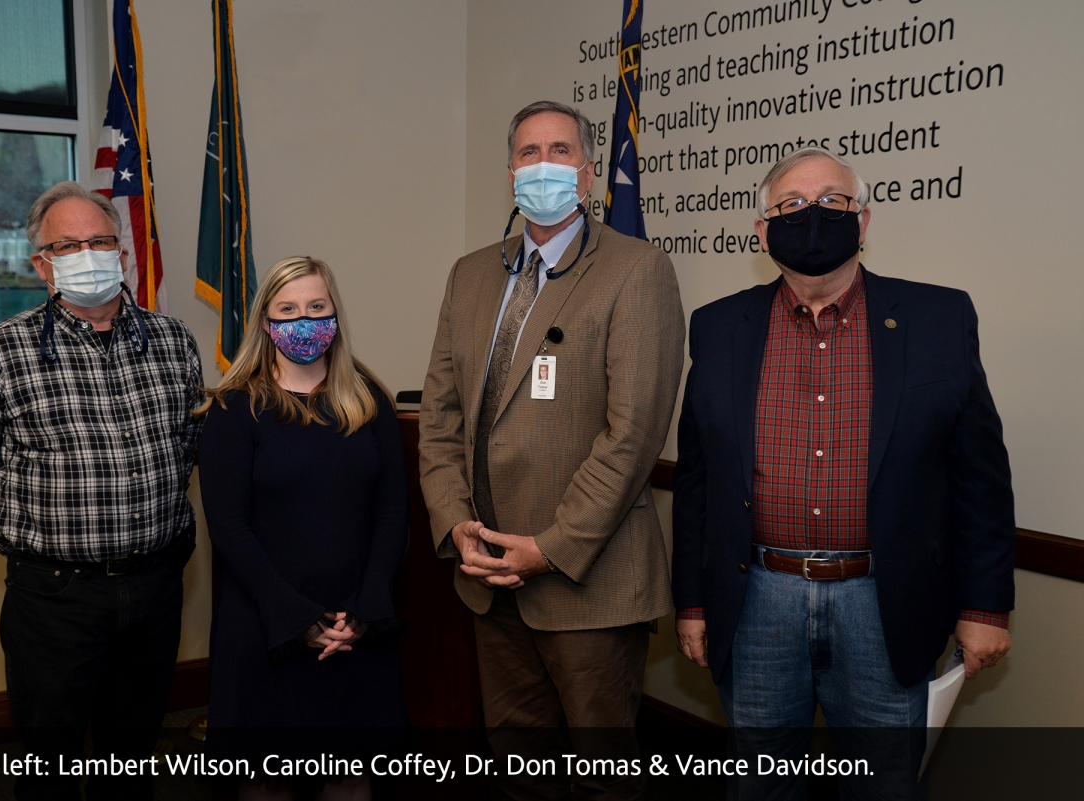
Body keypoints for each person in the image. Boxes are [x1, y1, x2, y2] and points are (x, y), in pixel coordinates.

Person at [672, 147, 1015, 799]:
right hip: (757, 599)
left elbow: (980, 479)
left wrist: (984, 605)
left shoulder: (938, 319)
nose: (813, 217)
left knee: (884, 785)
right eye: (792, 206)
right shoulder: (718, 327)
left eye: (833, 202)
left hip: (884, 601)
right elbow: (696, 481)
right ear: (762, 230)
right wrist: (690, 601)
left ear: (862, 222)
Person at [419, 100, 686, 800]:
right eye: (529, 152)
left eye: (560, 151)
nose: (543, 164)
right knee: (520, 766)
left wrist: (551, 546)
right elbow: (440, 417)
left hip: (586, 583)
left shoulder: (637, 269)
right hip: (487, 578)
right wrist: (454, 524)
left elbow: (632, 437)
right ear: (510, 171)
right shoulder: (470, 274)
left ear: (589, 172)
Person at [0, 181, 203, 801]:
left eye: (100, 240)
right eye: (67, 244)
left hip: (155, 587)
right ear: (42, 265)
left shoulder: (173, 341)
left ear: (124, 252)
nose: (88, 254)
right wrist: (25, 539)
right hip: (53, 599)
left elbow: (189, 449)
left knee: (130, 752)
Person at [198, 257, 407, 800]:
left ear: (335, 313)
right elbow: (227, 524)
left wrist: (364, 609)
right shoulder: (232, 408)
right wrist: (296, 618)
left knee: (351, 783)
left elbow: (392, 513)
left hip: (356, 624)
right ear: (265, 321)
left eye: (317, 307)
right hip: (268, 629)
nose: (303, 320)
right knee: (268, 787)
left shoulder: (369, 401)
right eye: (287, 310)